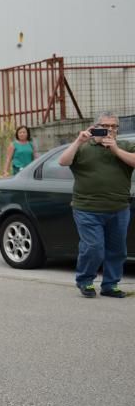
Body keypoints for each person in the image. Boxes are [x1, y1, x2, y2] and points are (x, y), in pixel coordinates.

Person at [57, 112, 135, 298]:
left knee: (117, 250)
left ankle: (110, 285)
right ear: (95, 127)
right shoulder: (83, 147)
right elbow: (63, 161)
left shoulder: (124, 145)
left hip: (119, 208)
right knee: (94, 248)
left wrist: (115, 149)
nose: (110, 130)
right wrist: (78, 141)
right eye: (105, 126)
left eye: (114, 126)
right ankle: (85, 281)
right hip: (87, 209)